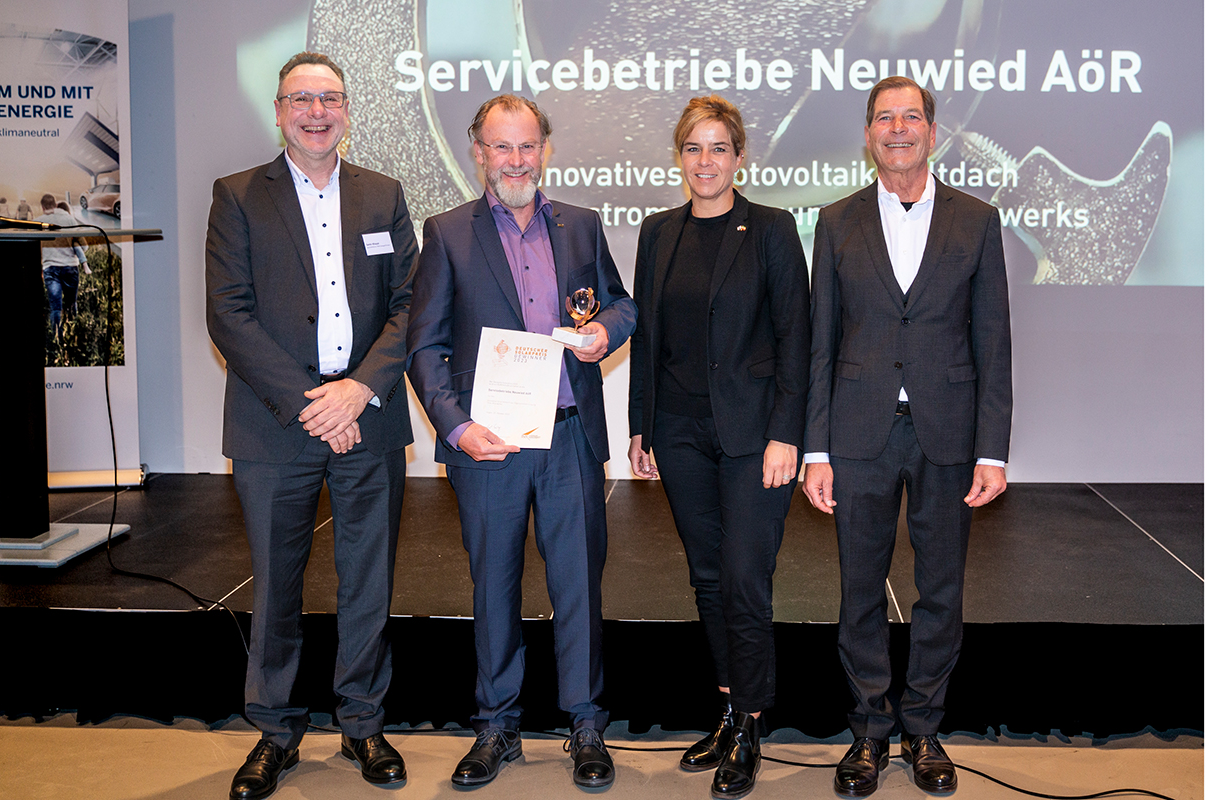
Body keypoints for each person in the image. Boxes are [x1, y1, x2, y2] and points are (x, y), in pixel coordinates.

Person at [406, 94, 636, 791]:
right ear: (479, 151)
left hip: (568, 438)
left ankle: (586, 724)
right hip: (491, 446)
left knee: (578, 590)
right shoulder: (446, 233)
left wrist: (606, 333)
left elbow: (620, 303)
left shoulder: (582, 226)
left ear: (545, 149)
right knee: (495, 588)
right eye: (501, 147)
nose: (516, 160)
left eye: (527, 146)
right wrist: (456, 426)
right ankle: (497, 725)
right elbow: (425, 347)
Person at [205, 51, 417, 800]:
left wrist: (357, 390)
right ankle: (275, 732)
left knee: (368, 582)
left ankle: (363, 723)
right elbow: (227, 314)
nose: (317, 112)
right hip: (276, 426)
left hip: (368, 419)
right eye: (302, 98)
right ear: (279, 110)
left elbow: (409, 308)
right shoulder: (237, 196)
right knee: (277, 585)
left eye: (329, 98)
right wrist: (313, 403)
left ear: (348, 110)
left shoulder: (384, 195)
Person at [802, 75, 1012, 797]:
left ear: (933, 130)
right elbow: (820, 344)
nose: (899, 128)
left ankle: (923, 729)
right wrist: (816, 448)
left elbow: (993, 342)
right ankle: (868, 732)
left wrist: (992, 448)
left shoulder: (977, 220)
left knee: (941, 589)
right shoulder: (835, 222)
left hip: (948, 434)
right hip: (858, 434)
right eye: (884, 118)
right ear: (868, 135)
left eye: (911, 116)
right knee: (859, 589)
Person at [626, 95, 809, 800]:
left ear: (739, 157)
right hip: (679, 432)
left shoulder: (769, 229)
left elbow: (797, 337)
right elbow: (649, 339)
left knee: (742, 577)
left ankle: (753, 724)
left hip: (754, 436)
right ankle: (729, 710)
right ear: (680, 158)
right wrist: (641, 426)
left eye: (718, 148)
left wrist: (787, 433)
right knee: (706, 576)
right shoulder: (657, 231)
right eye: (693, 149)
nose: (706, 161)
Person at [35, 194, 87, 340]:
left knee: (55, 307)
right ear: (55, 204)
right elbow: (85, 245)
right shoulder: (69, 219)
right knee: (71, 303)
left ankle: (57, 338)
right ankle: (74, 334)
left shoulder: (37, 222)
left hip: (50, 267)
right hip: (70, 267)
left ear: (43, 207)